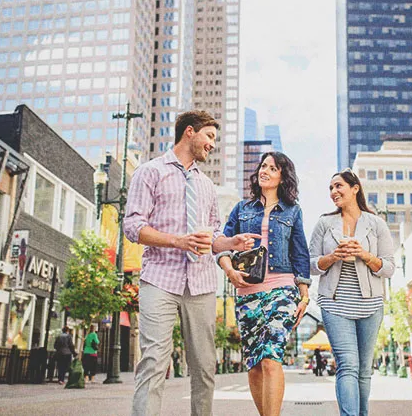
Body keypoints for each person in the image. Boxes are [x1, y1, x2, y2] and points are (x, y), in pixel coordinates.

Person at [125, 110, 258, 416]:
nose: (212, 144)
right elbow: (133, 227)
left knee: (204, 368)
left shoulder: (207, 186)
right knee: (154, 362)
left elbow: (212, 235)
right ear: (189, 132)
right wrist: (177, 241)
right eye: (209, 136)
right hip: (160, 278)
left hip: (200, 284)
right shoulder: (150, 172)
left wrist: (229, 243)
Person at [217, 151, 311, 416]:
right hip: (247, 291)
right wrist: (229, 271)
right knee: (255, 364)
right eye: (263, 166)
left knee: (271, 358)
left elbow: (300, 254)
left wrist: (303, 295)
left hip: (282, 289)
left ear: (283, 177)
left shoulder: (293, 211)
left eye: (272, 167)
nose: (264, 170)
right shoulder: (241, 209)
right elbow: (221, 244)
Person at [309, 169, 395, 416]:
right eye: (330, 188)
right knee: (348, 365)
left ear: (355, 188)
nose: (334, 192)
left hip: (370, 304)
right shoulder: (325, 223)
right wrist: (332, 257)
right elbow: (310, 265)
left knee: (364, 370)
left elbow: (389, 267)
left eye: (338, 186)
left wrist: (365, 255)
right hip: (335, 304)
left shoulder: (376, 223)